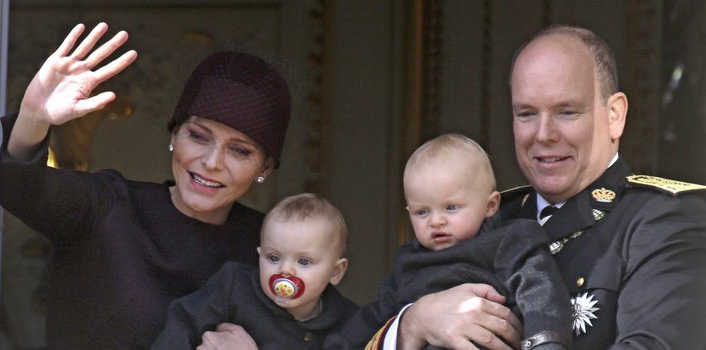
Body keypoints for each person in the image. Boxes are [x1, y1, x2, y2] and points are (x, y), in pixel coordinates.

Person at [370, 24, 706, 350]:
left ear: (614, 115)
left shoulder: (668, 219)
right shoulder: (486, 216)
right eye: (527, 114)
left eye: (567, 112)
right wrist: (414, 321)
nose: (543, 134)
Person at [0, 22, 292, 349]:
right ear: (174, 135)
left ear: (265, 166)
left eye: (239, 150)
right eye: (198, 136)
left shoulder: (279, 250)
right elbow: (21, 188)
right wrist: (34, 117)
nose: (212, 162)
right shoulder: (109, 206)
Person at [339, 134, 570, 349]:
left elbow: (540, 297)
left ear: (490, 206)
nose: (436, 221)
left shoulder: (510, 242)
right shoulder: (409, 261)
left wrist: (544, 343)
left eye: (451, 208)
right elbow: (373, 318)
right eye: (422, 212)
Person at [150, 193, 358, 349]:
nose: (285, 269)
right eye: (273, 258)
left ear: (336, 272)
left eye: (304, 261)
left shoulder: (351, 323)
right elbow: (185, 321)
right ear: (259, 256)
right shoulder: (235, 285)